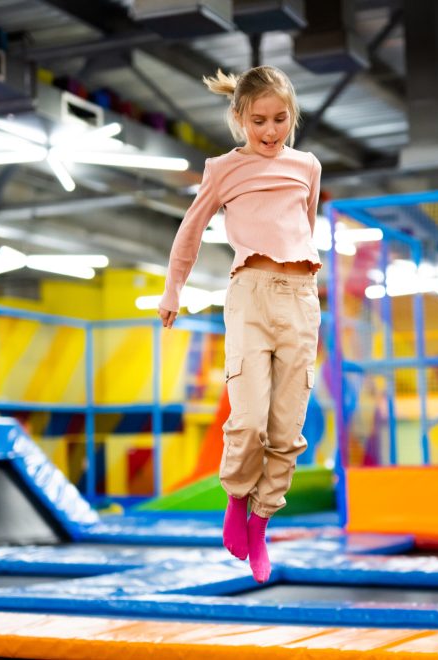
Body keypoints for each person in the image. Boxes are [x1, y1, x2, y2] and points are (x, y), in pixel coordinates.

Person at [158, 66, 322, 583]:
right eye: (259, 121)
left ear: (292, 117)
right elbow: (190, 231)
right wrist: (172, 289)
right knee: (248, 419)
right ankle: (235, 500)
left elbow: (305, 225)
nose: (270, 131)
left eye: (280, 119)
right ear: (239, 118)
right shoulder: (222, 169)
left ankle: (262, 523)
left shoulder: (307, 166)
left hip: (300, 297)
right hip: (249, 295)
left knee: (286, 430)